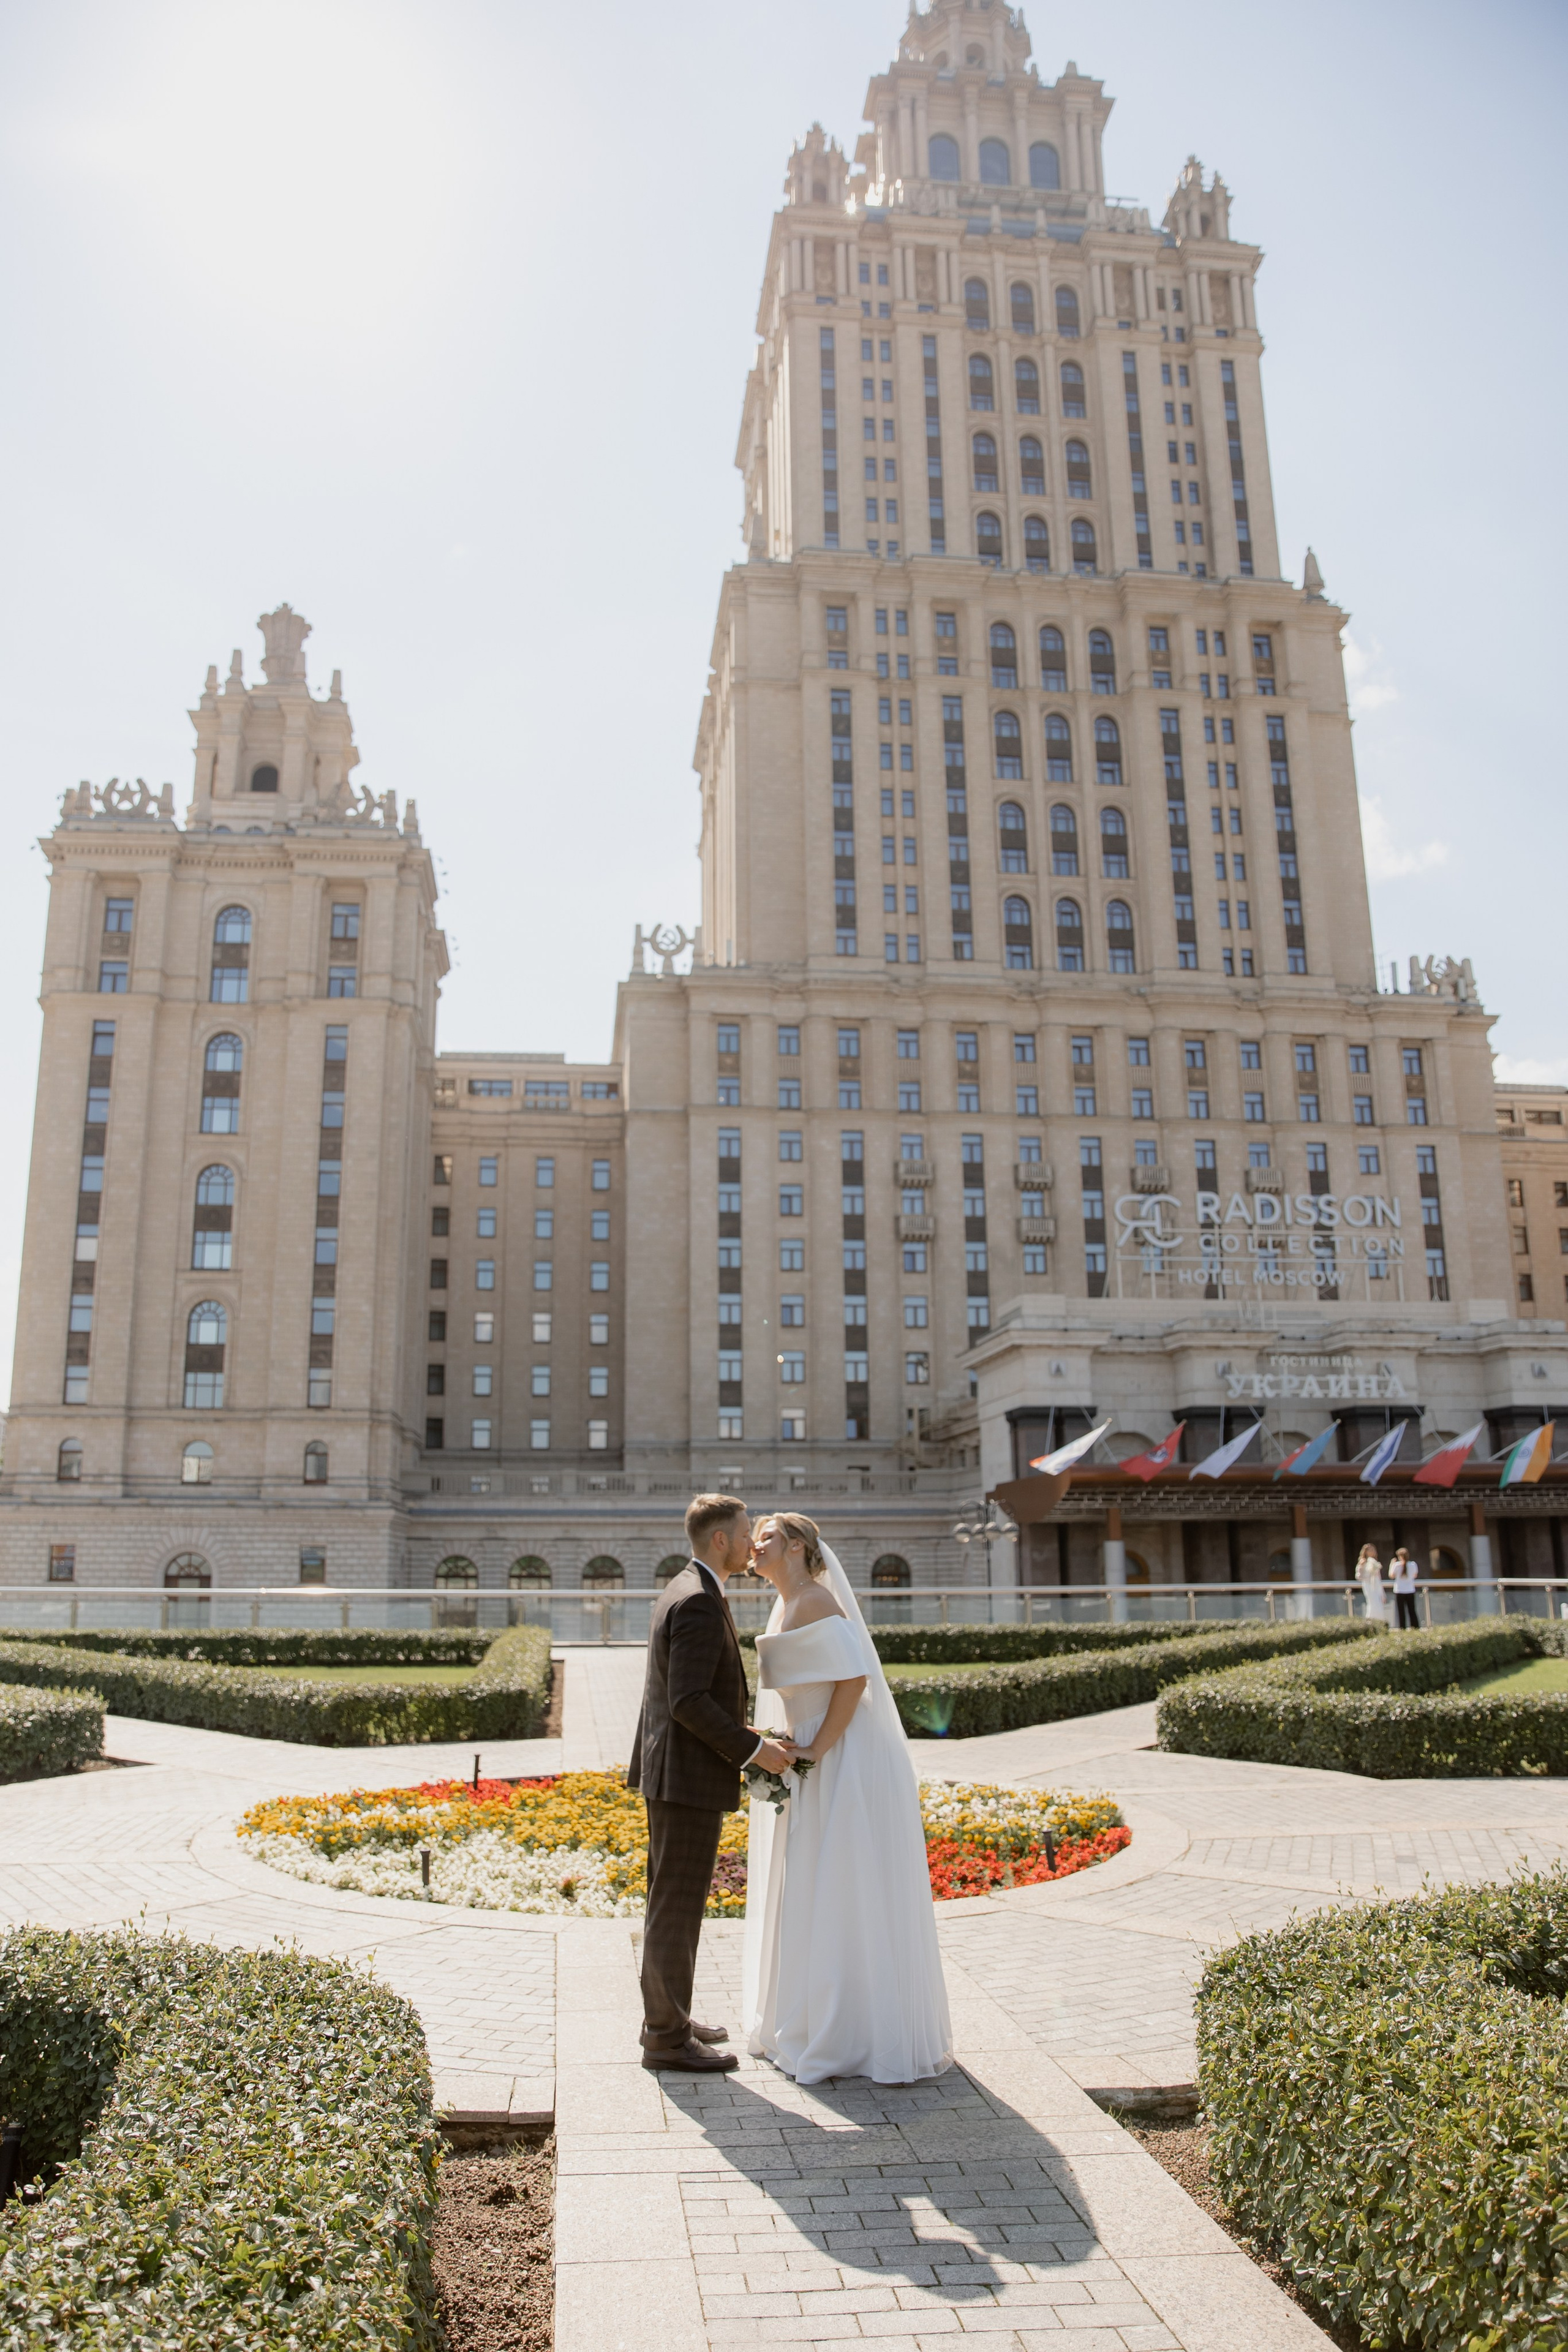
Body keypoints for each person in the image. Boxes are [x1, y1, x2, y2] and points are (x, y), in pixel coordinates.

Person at [741, 1511, 952, 2085]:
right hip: (813, 1749)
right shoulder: (785, 1603)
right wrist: (787, 1742)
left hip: (844, 1757)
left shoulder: (814, 1601)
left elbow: (854, 1680)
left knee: (840, 1878)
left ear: (796, 1549)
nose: (753, 1547)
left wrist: (816, 1752)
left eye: (765, 1539)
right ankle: (820, 2019)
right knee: (818, 1878)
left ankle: (851, 2032)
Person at [627, 1493, 796, 2073]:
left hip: (675, 1774)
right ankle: (666, 2040)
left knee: (671, 1902)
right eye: (747, 1531)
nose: (753, 1542)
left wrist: (748, 1733)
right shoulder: (698, 1600)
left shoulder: (688, 1587)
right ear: (720, 1539)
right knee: (676, 1907)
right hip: (686, 1779)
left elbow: (687, 1695)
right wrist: (754, 1750)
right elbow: (688, 1701)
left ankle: (668, 2017)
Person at [1353, 1542, 1388, 1626]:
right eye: (1369, 1550)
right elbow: (1358, 1576)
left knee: (1379, 1603)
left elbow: (1379, 1578)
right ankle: (1370, 1623)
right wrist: (1362, 1569)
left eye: (1373, 1550)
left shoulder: (1374, 1562)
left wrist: (1383, 1593)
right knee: (1373, 1603)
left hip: (1377, 1585)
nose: (1372, 1552)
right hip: (1368, 1585)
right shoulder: (1363, 1562)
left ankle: (1380, 1622)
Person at [1391, 1548, 1420, 1630]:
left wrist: (1391, 1564)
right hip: (1410, 1589)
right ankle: (1415, 1627)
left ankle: (1402, 1628)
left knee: (1401, 1611)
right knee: (1412, 1610)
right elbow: (1415, 1575)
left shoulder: (1396, 1565)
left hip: (1399, 1590)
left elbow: (1392, 1575)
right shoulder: (1413, 1564)